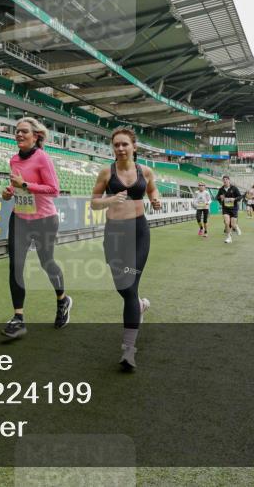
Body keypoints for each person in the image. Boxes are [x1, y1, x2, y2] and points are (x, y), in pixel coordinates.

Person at [90, 128, 161, 371]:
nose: (120, 149)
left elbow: (152, 188)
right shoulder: (106, 172)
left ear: (134, 147)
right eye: (116, 145)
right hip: (114, 235)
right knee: (123, 287)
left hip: (138, 234)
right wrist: (109, 200)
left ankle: (129, 350)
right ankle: (139, 306)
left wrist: (155, 199)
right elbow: (94, 202)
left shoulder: (145, 171)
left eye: (124, 144)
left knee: (130, 286)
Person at [0, 116, 70, 339]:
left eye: (24, 131)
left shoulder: (42, 159)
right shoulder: (13, 160)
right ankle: (18, 318)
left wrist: (26, 185)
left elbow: (54, 190)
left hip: (44, 220)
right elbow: (17, 188)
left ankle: (63, 300)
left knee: (46, 262)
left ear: (36, 136)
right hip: (20, 218)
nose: (19, 134)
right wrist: (9, 192)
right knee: (15, 265)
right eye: (17, 131)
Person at [215, 175, 241, 243]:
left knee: (232, 225)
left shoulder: (234, 188)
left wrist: (234, 199)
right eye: (224, 179)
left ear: (229, 180)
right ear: (222, 181)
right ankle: (229, 237)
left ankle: (236, 227)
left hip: (233, 208)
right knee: (226, 223)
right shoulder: (221, 189)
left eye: (226, 179)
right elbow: (217, 197)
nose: (225, 180)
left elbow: (240, 196)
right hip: (225, 208)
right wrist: (220, 198)